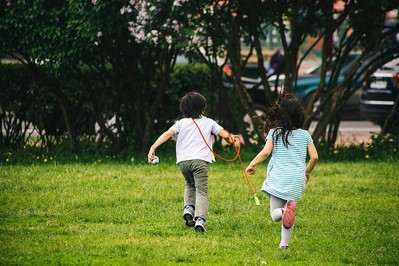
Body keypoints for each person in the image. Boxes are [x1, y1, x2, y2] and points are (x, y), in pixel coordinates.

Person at [148, 91, 240, 233]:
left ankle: (188, 209)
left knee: (190, 184)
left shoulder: (181, 123)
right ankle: (200, 220)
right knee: (202, 191)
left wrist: (153, 148)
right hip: (200, 161)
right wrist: (232, 140)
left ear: (184, 109)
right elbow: (225, 135)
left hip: (183, 162)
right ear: (203, 109)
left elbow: (167, 134)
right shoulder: (209, 122)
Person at [245, 93, 318, 249]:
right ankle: (284, 245)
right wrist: (307, 171)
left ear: (282, 116)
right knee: (289, 212)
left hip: (279, 178)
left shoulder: (275, 133)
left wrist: (252, 164)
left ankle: (284, 212)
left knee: (275, 215)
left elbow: (265, 152)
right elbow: (314, 157)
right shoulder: (305, 135)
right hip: (297, 180)